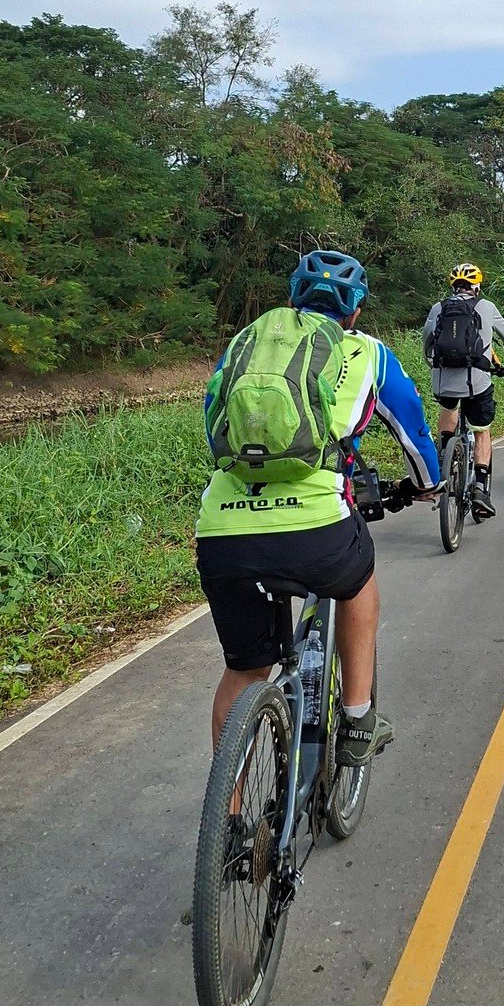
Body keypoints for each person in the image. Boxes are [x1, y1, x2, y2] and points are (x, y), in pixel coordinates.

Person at [196, 248, 439, 769]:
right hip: (316, 528)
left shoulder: (248, 342)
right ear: (354, 310)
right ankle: (357, 719)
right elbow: (413, 426)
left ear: (292, 298)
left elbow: (213, 420)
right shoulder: (367, 352)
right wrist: (428, 484)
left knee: (243, 672)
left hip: (222, 531)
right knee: (359, 581)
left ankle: (231, 825)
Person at [421, 263, 504, 520]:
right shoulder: (486, 307)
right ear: (477, 285)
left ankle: (445, 452)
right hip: (477, 381)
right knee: (481, 431)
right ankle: (480, 489)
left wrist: (431, 363)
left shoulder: (439, 307)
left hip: (443, 380)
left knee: (448, 406)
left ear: (453, 286)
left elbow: (427, 340)